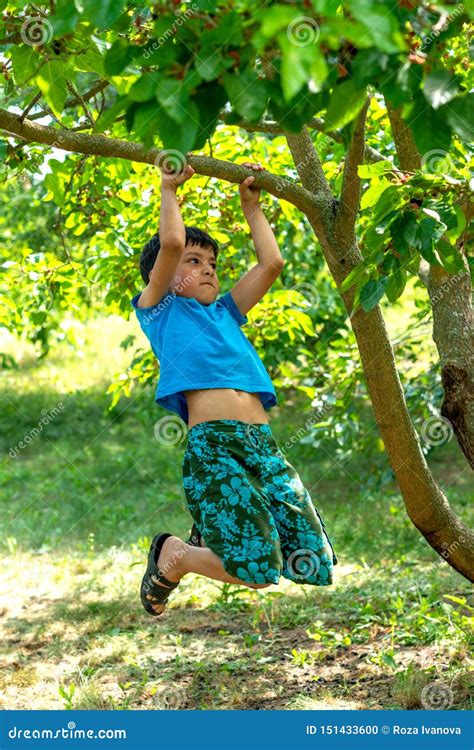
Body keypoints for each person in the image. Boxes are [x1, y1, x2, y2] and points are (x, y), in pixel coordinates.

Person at [130, 158, 338, 617]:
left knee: (307, 556)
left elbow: (272, 262)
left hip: (263, 447)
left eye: (213, 263)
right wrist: (169, 191)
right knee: (255, 570)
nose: (207, 269)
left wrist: (251, 207)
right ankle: (173, 556)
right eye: (194, 261)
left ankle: (205, 531)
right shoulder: (159, 311)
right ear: (162, 276)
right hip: (216, 447)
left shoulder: (226, 313)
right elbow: (170, 242)